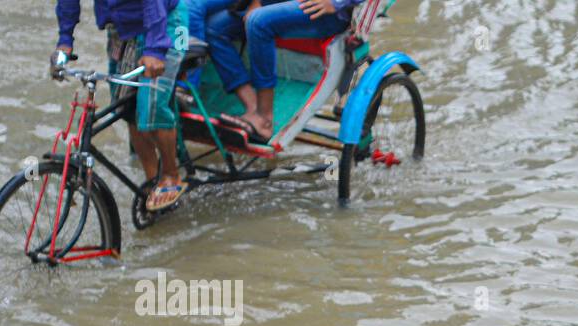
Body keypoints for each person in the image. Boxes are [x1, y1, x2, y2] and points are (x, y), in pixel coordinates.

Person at [54, 0, 191, 212]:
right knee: (127, 110)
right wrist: (64, 42)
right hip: (122, 28)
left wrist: (155, 49)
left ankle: (171, 175)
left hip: (166, 22)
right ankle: (151, 181)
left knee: (151, 105)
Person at [203, 0, 364, 143]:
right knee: (214, 28)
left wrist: (336, 3)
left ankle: (264, 118)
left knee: (258, 22)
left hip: (327, 10)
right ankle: (251, 105)